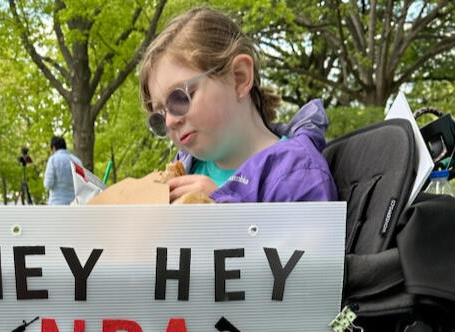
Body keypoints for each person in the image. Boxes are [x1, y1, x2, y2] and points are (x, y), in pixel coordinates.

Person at [138, 7, 337, 204]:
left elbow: (306, 236)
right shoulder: (185, 170)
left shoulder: (297, 173)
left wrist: (224, 207)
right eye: (160, 116)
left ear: (239, 77)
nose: (170, 121)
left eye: (181, 98)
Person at [43, 136, 81, 205]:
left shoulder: (53, 160)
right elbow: (82, 184)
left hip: (56, 203)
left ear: (53, 148)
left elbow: (48, 184)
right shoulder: (77, 161)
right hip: (74, 203)